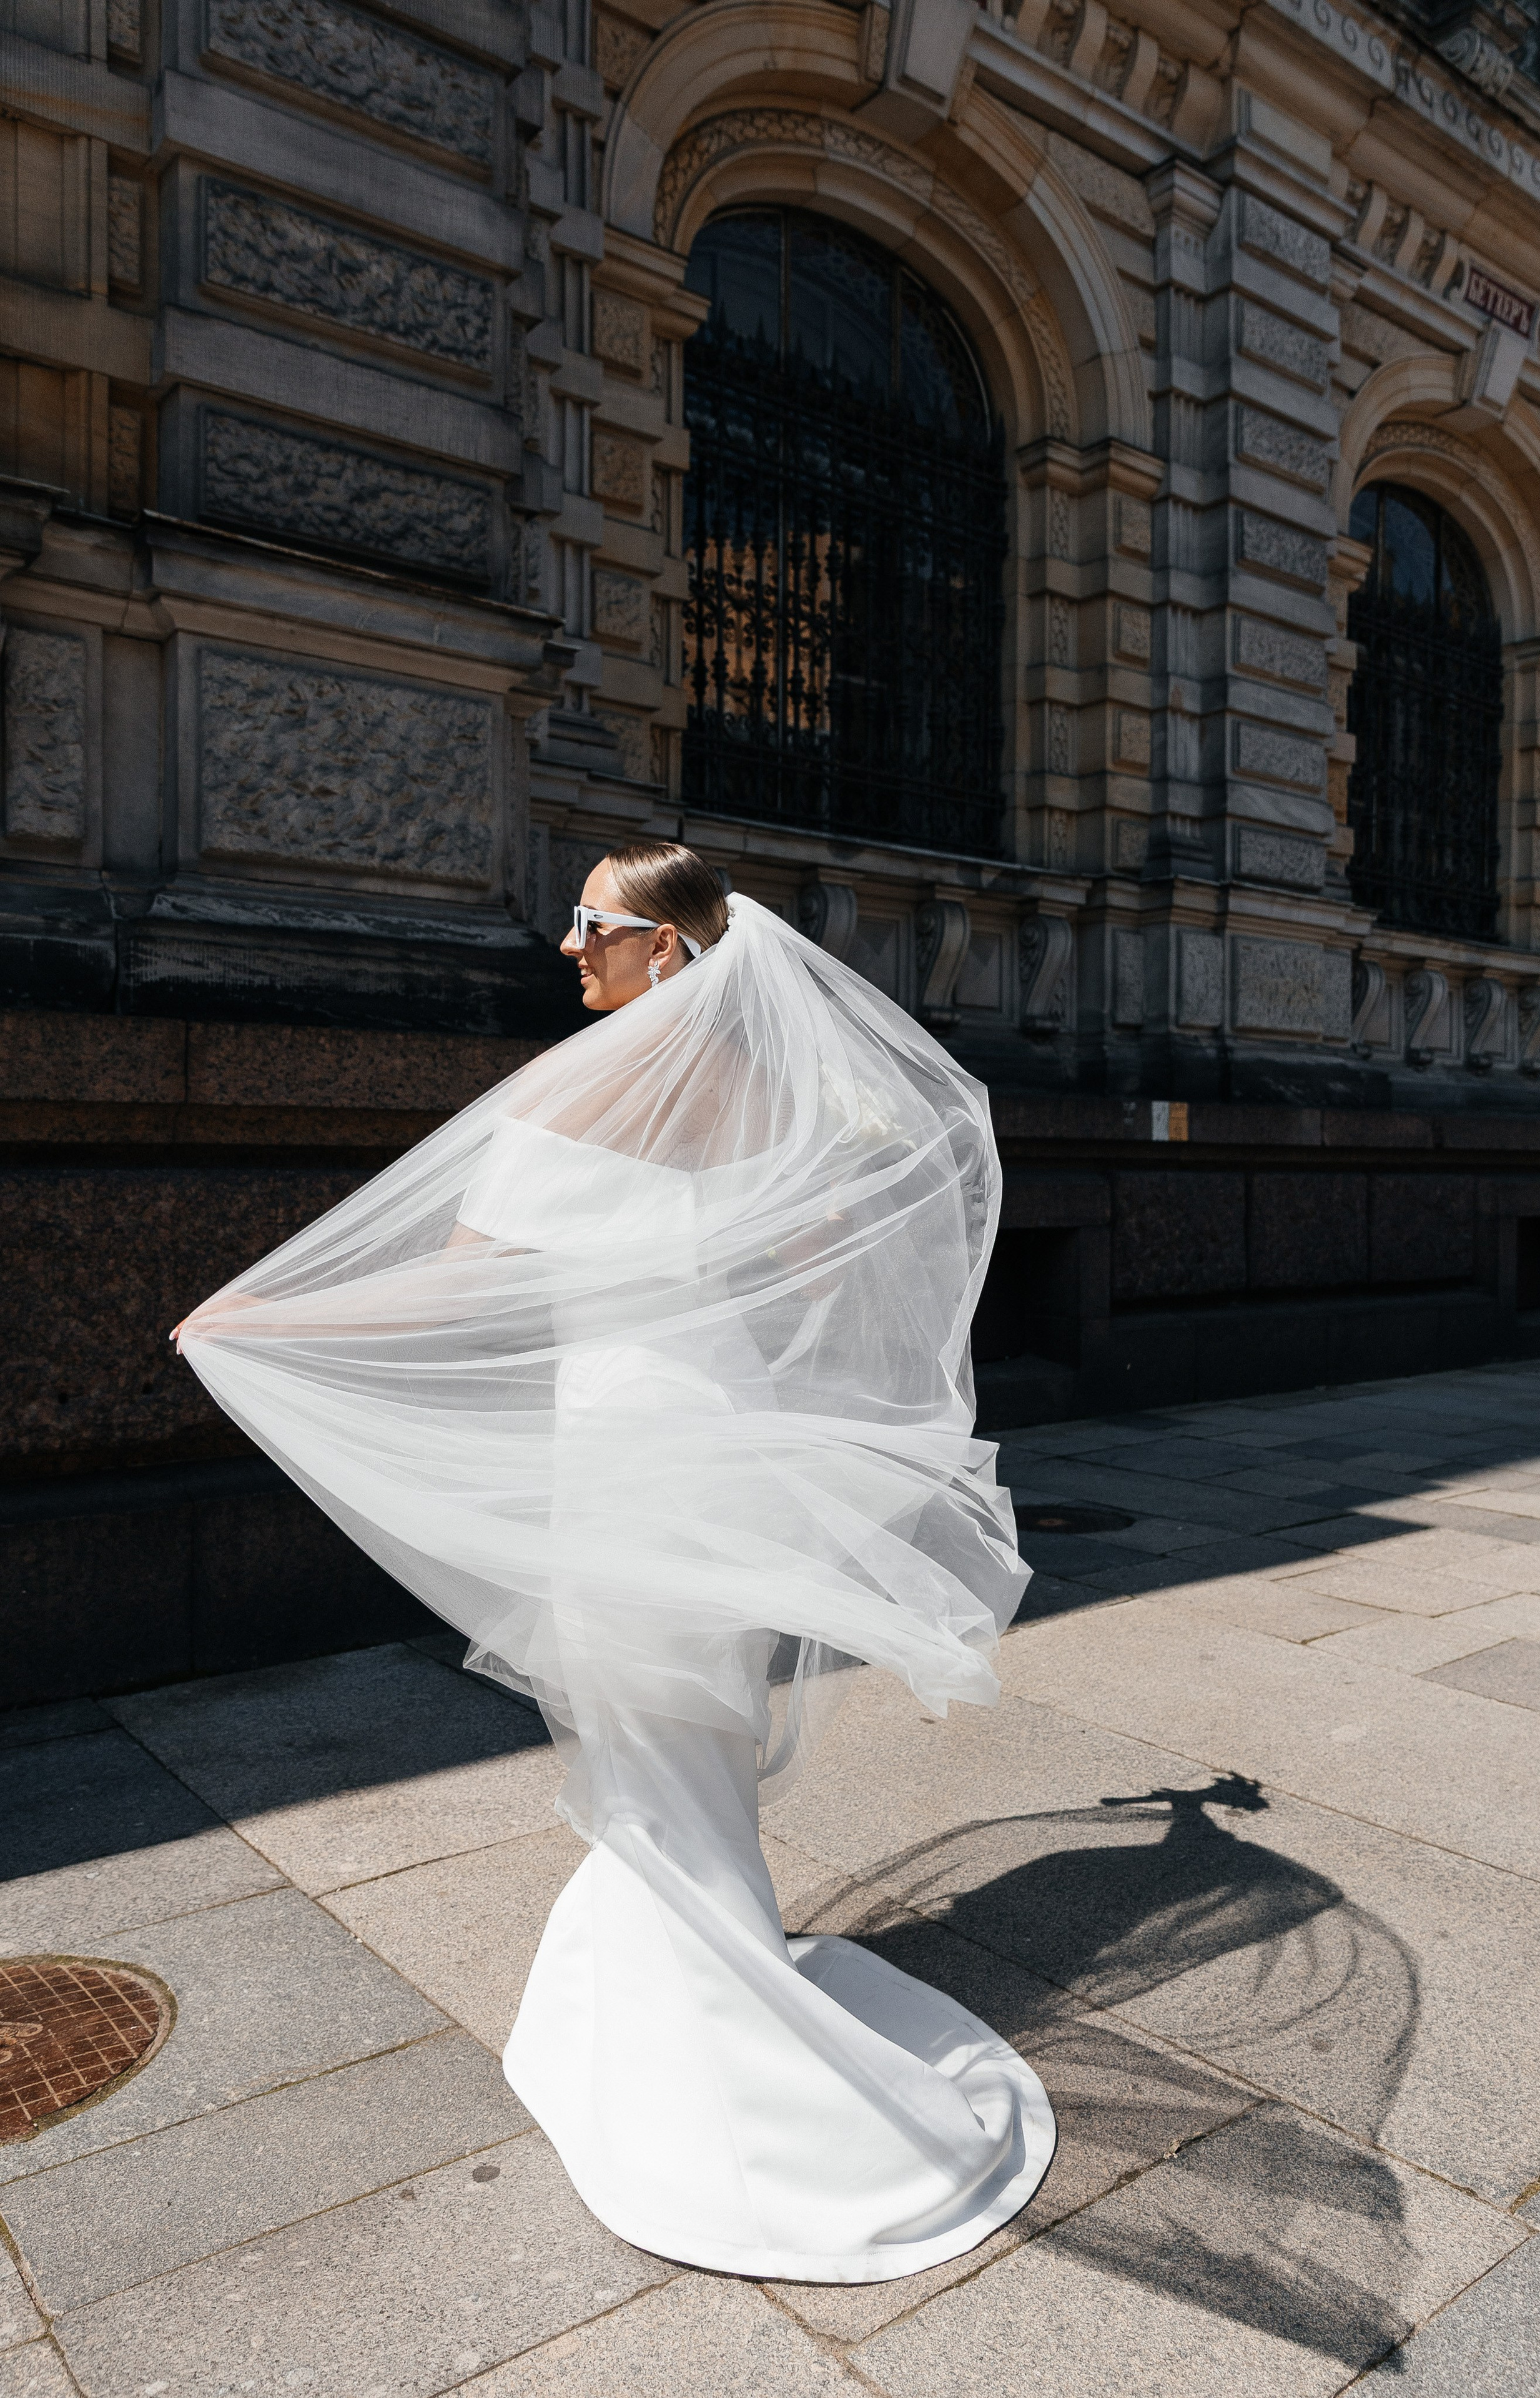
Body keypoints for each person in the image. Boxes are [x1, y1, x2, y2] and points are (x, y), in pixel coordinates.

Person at [173, 840, 1053, 2283]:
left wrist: (268, 1325)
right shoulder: (770, 1099)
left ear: (667, 951)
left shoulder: (580, 1091)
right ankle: (663, 2004)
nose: (564, 947)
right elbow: (824, 1269)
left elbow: (464, 1283)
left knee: (652, 1750)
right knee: (678, 1746)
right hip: (719, 1456)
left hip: (632, 1465)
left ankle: (729, 2081)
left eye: (590, 924)